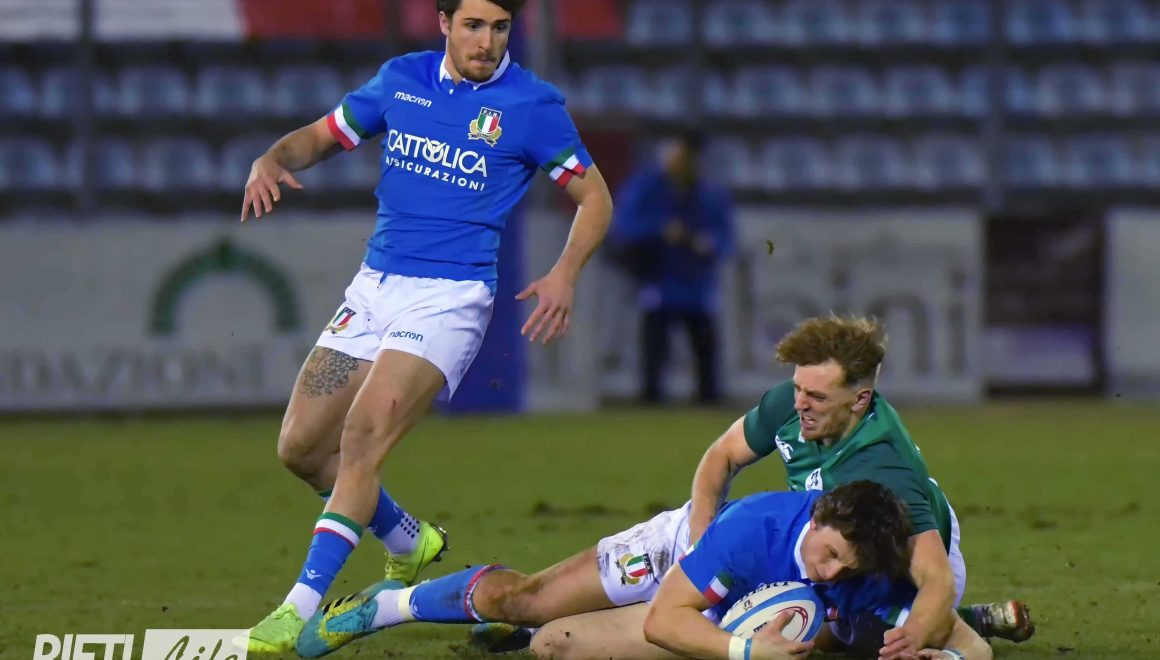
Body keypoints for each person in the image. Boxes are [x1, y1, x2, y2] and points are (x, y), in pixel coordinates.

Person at [234, 0, 613, 652]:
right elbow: (321, 136)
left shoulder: (532, 105)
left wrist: (564, 274)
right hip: (374, 289)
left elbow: (594, 197)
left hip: (449, 299)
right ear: (443, 23)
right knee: (299, 447)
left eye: (499, 27)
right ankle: (408, 540)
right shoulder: (401, 80)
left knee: (362, 438)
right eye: (473, 25)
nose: (486, 41)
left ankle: (297, 608)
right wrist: (271, 158)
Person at [294, 482, 987, 660]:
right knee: (527, 600)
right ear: (820, 515)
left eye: (844, 567)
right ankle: (392, 603)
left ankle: (524, 638)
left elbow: (969, 646)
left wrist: (948, 650)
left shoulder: (869, 563)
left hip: (725, 607)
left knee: (554, 648)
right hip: (679, 563)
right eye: (826, 554)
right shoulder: (753, 532)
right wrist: (748, 651)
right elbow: (664, 620)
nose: (828, 571)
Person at [608, 131, 734, 404]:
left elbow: (725, 237)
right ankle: (651, 396)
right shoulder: (646, 188)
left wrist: (707, 243)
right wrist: (661, 231)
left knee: (704, 346)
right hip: (659, 277)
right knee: (655, 345)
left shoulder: (710, 194)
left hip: (697, 282)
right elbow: (625, 226)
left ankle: (708, 398)